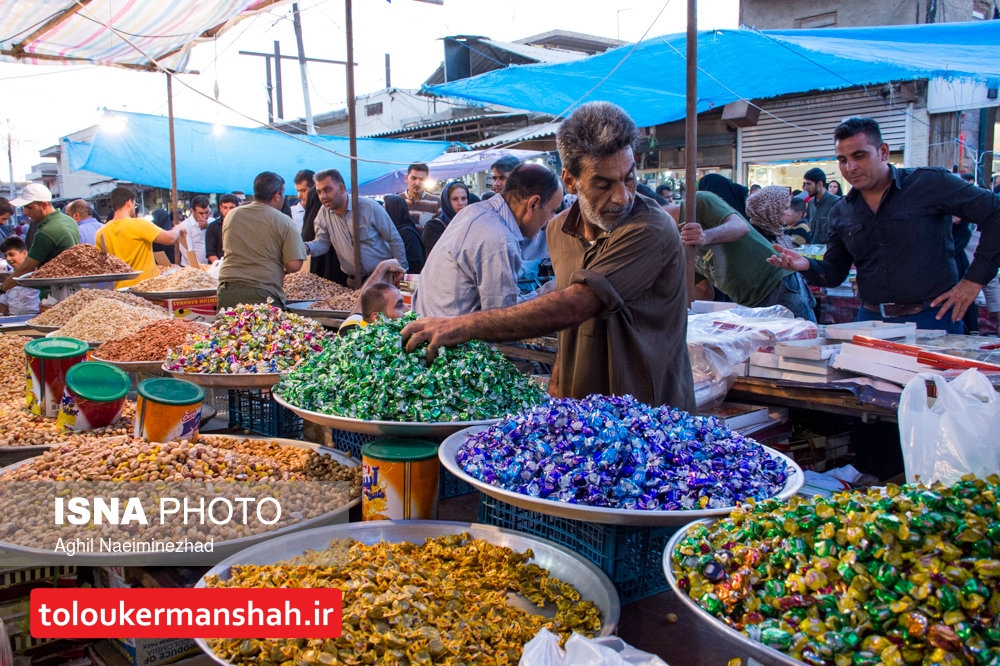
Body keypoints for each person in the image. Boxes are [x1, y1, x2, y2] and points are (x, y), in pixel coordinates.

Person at [401, 101, 695, 411]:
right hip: (583, 413)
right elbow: (569, 325)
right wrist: (556, 388)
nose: (622, 196)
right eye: (603, 184)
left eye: (629, 178)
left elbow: (576, 304)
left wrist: (459, 326)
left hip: (651, 415)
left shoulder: (650, 228)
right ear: (570, 180)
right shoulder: (558, 231)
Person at [768, 116, 1000, 333]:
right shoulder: (842, 210)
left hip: (932, 319)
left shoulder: (929, 183)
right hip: (871, 321)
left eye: (859, 156)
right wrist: (806, 265)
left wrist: (973, 281)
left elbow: (995, 211)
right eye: (842, 160)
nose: (850, 168)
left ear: (884, 152)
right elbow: (835, 272)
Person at [413, 163, 561, 317]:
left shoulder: (476, 211)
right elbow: (501, 321)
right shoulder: (499, 239)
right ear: (533, 204)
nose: (551, 220)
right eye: (553, 211)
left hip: (429, 324)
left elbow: (531, 245)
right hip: (448, 336)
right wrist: (547, 293)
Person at [674, 190, 817, 321]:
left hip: (776, 285)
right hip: (748, 302)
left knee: (803, 345)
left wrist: (705, 236)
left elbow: (740, 227)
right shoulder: (673, 244)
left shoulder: (698, 203)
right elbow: (704, 292)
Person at [217, 171, 306, 309]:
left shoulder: (233, 214)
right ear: (277, 195)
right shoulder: (284, 221)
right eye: (282, 194)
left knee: (229, 330)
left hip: (228, 290)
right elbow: (294, 265)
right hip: (263, 294)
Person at [305, 169, 408, 288]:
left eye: (327, 190)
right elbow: (322, 243)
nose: (323, 196)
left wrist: (401, 271)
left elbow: (394, 238)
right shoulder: (323, 213)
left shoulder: (368, 206)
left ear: (342, 188)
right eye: (319, 192)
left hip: (381, 279)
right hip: (353, 282)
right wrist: (306, 247)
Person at [95, 186, 186, 289]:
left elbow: (103, 265)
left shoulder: (101, 232)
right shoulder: (139, 224)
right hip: (145, 288)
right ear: (129, 202)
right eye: (134, 204)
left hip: (120, 291)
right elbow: (169, 238)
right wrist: (178, 229)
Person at [1, 183, 79, 295]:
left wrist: (3, 288)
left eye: (29, 208)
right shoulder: (68, 220)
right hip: (72, 288)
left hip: (55, 293)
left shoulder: (47, 232)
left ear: (43, 205)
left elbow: (26, 267)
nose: (25, 212)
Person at [338, 259, 406, 335]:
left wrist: (382, 267)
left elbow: (361, 304)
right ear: (377, 318)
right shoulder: (352, 338)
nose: (408, 309)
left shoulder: (355, 324)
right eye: (399, 306)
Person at [422, 180, 471, 257]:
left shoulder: (472, 223)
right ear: (447, 201)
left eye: (464, 198)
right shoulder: (434, 227)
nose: (460, 203)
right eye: (455, 199)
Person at [382, 195, 425, 274]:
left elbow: (415, 264)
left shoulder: (407, 233)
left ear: (393, 210)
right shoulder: (393, 231)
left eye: (385, 209)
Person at [0, 236, 40, 315]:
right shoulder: (9, 280)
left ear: (24, 253)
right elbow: (3, 304)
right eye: (6, 256)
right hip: (14, 320)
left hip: (34, 317)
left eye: (11, 254)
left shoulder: (36, 275)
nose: (8, 258)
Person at [802, 167, 840, 244]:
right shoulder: (811, 203)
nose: (806, 188)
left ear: (820, 184)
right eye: (805, 184)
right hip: (813, 251)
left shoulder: (837, 202)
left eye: (809, 184)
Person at [400, 163, 439, 230]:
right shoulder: (394, 202)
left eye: (422, 179)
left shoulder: (436, 203)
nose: (417, 183)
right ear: (406, 178)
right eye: (413, 178)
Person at [205, 193, 240, 263]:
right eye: (225, 207)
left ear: (237, 208)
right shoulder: (213, 227)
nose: (228, 211)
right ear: (220, 208)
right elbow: (210, 252)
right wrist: (219, 266)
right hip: (218, 267)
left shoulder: (242, 226)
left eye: (231, 208)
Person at [178, 195, 211, 266]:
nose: (205, 216)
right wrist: (197, 266)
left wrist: (208, 227)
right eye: (201, 213)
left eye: (207, 212)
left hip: (209, 266)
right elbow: (187, 250)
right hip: (191, 267)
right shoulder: (185, 225)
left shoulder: (211, 221)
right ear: (192, 211)